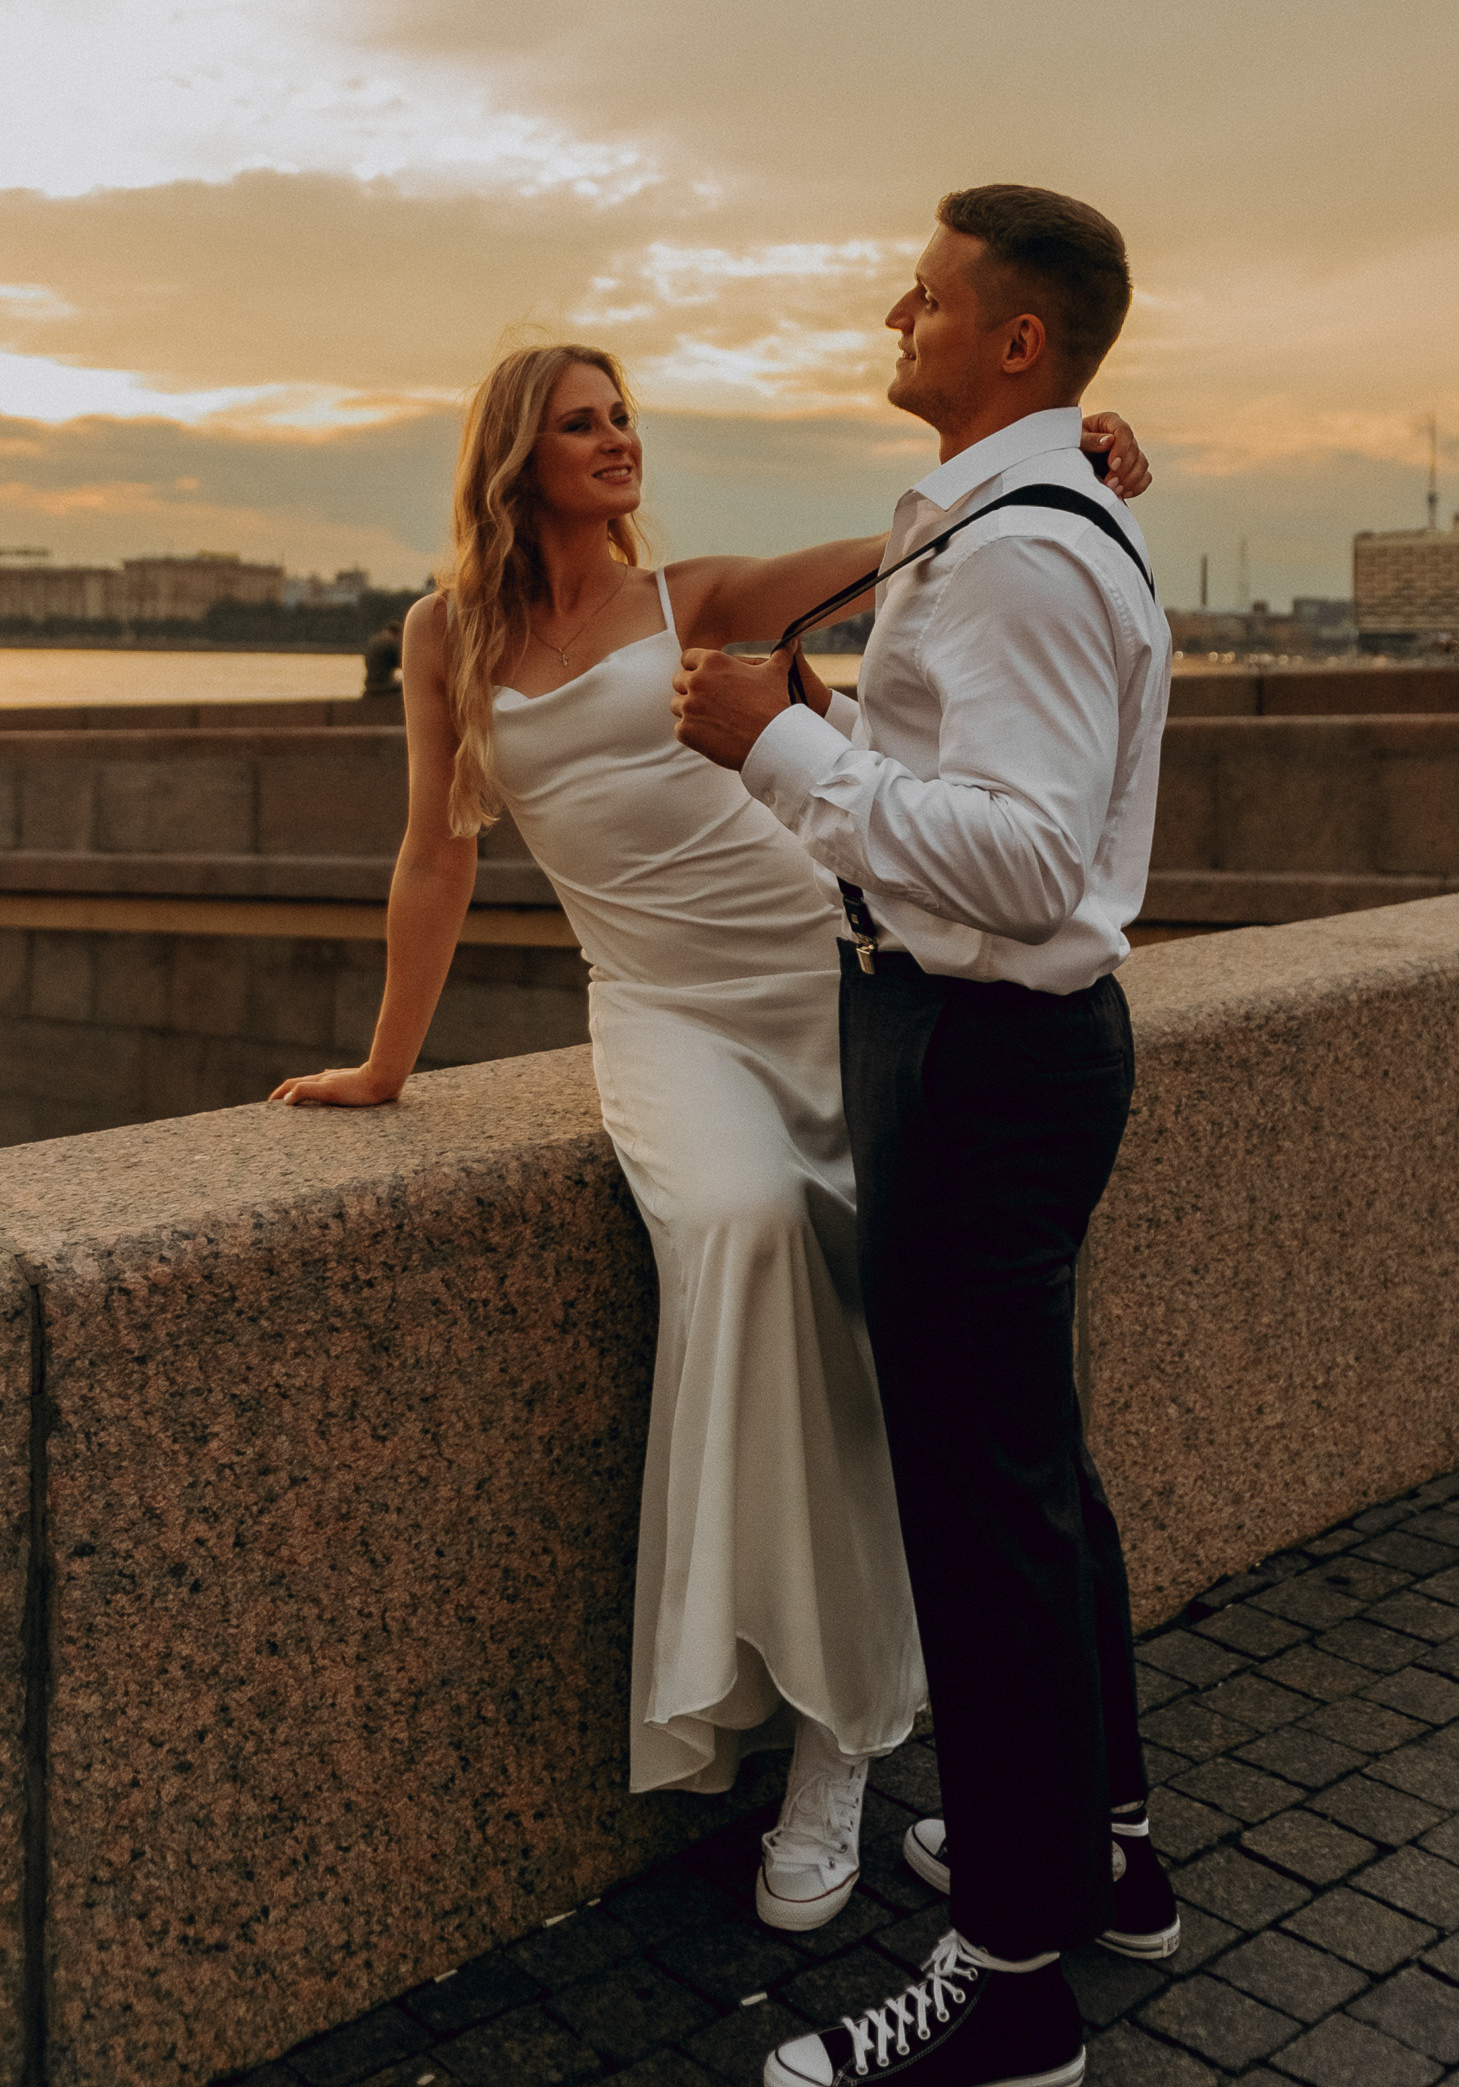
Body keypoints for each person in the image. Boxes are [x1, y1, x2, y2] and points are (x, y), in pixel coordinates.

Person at [274, 337, 1150, 1937]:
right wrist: (385, 1069)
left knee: (895, 1340)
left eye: (622, 419)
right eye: (578, 425)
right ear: (514, 459)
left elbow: (913, 548)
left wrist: (1058, 452)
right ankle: (827, 1703)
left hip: (823, 978)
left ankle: (841, 1741)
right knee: (743, 1229)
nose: (614, 443)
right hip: (665, 1011)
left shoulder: (706, 594)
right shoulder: (445, 637)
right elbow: (436, 854)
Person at [673, 187, 1176, 2087]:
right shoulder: (1024, 513)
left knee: (982, 1517)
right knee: (1031, 1479)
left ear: (1018, 343)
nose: (900, 308)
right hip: (998, 1050)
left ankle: (1011, 1981)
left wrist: (779, 745)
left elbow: (1034, 859)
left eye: (935, 296)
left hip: (976, 1051)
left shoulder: (1033, 556)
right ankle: (1106, 1855)